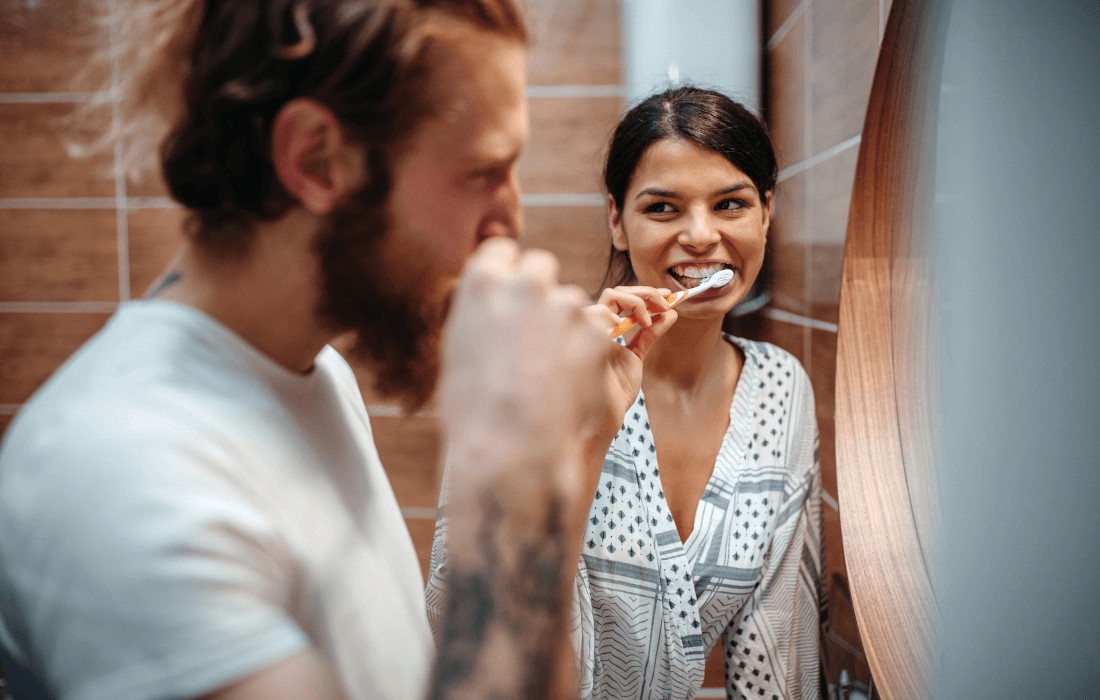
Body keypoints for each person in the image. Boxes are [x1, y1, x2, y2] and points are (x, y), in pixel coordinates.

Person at [0, 2, 675, 700]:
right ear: (316, 160)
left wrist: (573, 444)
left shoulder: (317, 371)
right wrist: (510, 491)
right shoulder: (117, 474)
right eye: (482, 172)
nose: (510, 222)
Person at [427, 87, 827, 700]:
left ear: (766, 213)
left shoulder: (781, 390)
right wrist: (578, 436)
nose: (701, 235)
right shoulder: (534, 372)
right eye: (663, 208)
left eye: (730, 204)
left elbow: (778, 658)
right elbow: (472, 633)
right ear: (617, 220)